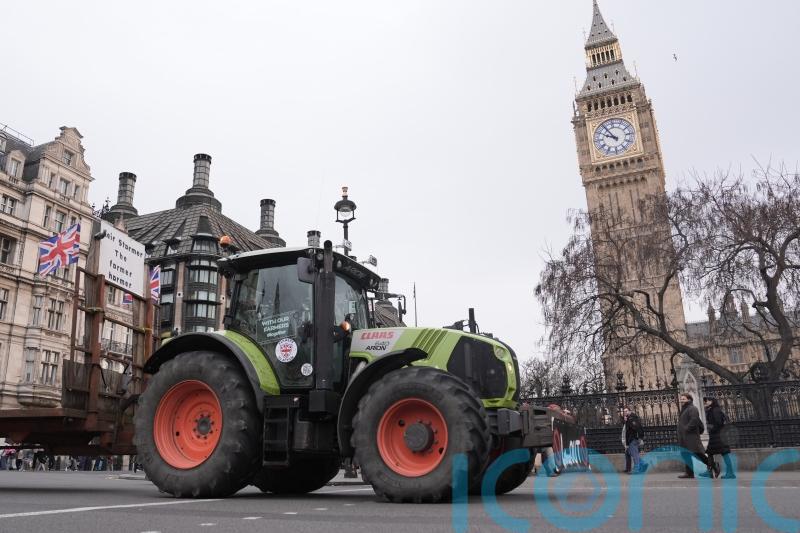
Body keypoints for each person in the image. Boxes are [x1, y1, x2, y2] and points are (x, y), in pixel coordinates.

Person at [677, 392, 715, 478]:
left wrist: (686, 429)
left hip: (691, 437)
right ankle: (689, 473)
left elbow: (694, 420)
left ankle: (714, 465)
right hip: (685, 437)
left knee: (698, 454)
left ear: (689, 399)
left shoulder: (692, 408)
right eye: (681, 399)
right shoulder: (685, 409)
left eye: (683, 399)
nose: (681, 401)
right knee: (686, 455)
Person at [703, 397, 735, 479]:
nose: (705, 402)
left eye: (707, 400)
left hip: (718, 436)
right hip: (715, 436)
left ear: (712, 401)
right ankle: (709, 471)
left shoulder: (715, 410)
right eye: (705, 401)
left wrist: (710, 427)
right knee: (710, 453)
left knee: (724, 453)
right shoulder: (711, 410)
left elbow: (719, 423)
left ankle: (730, 473)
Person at [621, 406, 646, 474]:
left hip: (633, 439)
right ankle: (642, 463)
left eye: (626, 411)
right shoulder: (629, 419)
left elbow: (636, 428)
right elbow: (627, 430)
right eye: (624, 412)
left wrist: (640, 438)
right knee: (629, 453)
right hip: (630, 440)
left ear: (630, 411)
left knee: (634, 454)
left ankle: (637, 469)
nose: (625, 413)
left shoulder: (632, 418)